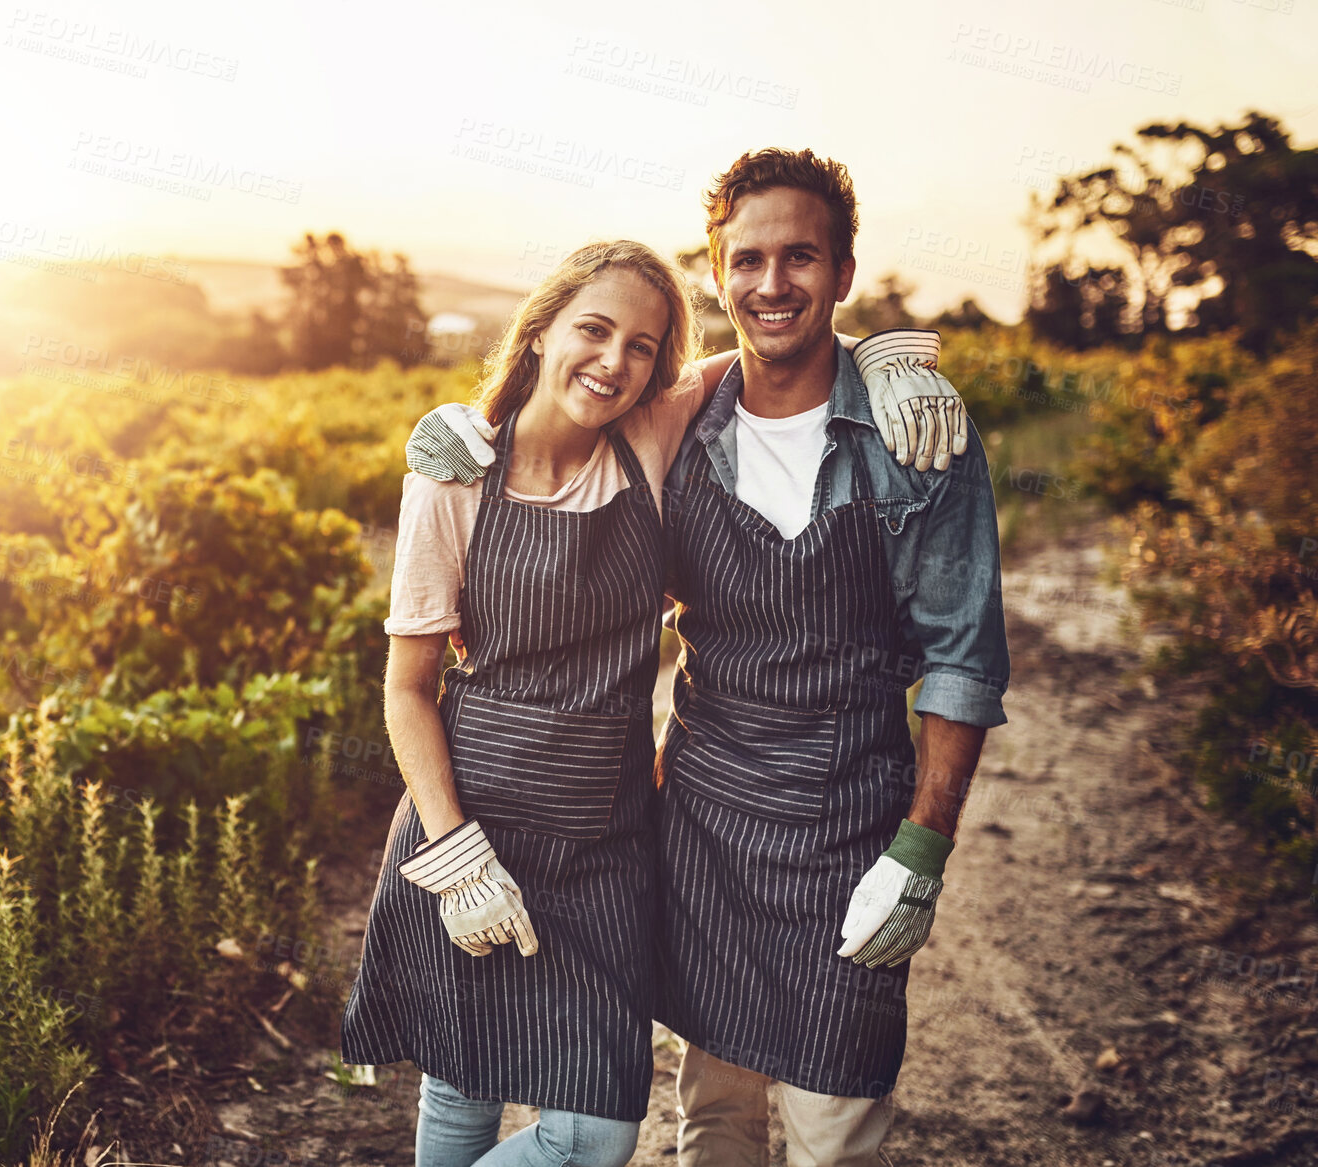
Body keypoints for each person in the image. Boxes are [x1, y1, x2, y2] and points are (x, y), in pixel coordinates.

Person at [403, 147, 1009, 1167]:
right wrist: (464, 425)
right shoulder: (676, 418)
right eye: (748, 260)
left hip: (847, 827)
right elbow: (560, 419)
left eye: (801, 258)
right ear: (720, 273)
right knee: (713, 1118)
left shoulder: (913, 442)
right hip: (699, 826)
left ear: (842, 273)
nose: (772, 285)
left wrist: (919, 853)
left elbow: (961, 660)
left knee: (832, 1125)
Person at [341, 240, 701, 1167]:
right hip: (473, 824)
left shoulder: (653, 439)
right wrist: (458, 856)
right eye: (594, 328)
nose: (616, 361)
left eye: (644, 346)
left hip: (604, 837)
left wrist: (886, 361)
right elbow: (408, 687)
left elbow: (779, 348)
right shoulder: (455, 471)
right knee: (462, 1079)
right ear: (540, 331)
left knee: (597, 1131)